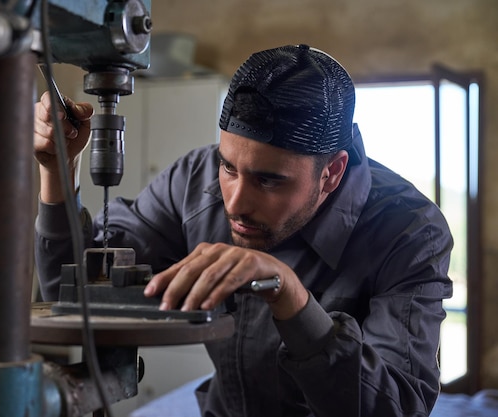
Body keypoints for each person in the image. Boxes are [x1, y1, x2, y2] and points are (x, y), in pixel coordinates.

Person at [34, 44, 453, 417]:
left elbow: (398, 406)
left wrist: (291, 295)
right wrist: (58, 170)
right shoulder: (193, 181)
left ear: (332, 172)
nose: (234, 202)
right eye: (229, 167)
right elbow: (75, 296)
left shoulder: (410, 233)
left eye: (269, 180)